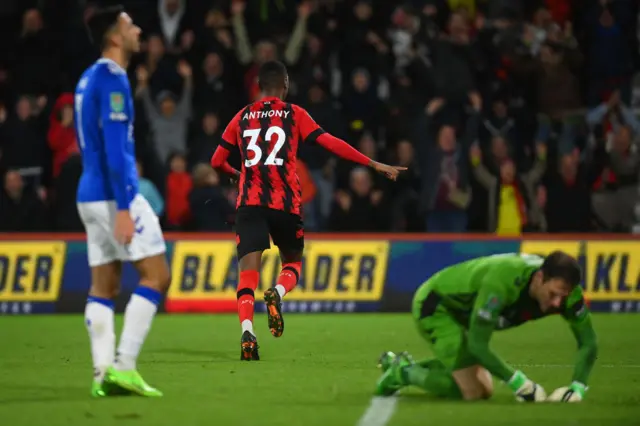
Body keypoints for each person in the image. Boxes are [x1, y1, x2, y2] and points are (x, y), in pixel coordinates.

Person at [210, 60, 406, 361]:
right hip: (285, 204)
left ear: (259, 86)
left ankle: (247, 332)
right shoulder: (294, 114)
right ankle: (278, 291)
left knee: (248, 273)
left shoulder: (241, 117)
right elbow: (330, 143)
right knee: (293, 264)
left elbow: (215, 161)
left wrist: (236, 173)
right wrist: (373, 164)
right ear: (285, 85)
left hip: (250, 203)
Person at [74, 5, 170, 397]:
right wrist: (127, 208)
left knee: (104, 286)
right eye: (130, 25)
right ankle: (125, 365)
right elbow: (116, 150)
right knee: (157, 276)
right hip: (115, 195)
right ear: (115, 36)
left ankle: (102, 377)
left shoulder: (88, 78)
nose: (138, 30)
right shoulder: (113, 80)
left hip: (89, 195)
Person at [375, 251, 597, 403]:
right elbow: (478, 344)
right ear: (539, 278)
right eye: (553, 295)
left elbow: (588, 342)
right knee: (471, 391)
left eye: (563, 296)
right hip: (438, 306)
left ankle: (401, 364)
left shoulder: (567, 295)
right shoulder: (503, 283)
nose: (557, 304)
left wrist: (578, 387)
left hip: (465, 314)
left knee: (485, 388)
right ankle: (402, 372)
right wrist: (521, 384)